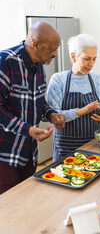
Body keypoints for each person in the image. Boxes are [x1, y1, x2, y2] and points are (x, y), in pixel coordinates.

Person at [0, 21, 66, 194]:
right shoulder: (5, 61)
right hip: (6, 156)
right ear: (36, 44)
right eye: (52, 49)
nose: (55, 54)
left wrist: (51, 114)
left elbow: (39, 102)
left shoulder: (39, 65)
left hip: (29, 154)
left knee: (27, 204)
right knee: (8, 210)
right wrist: (27, 129)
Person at [47, 33, 100, 161]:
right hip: (66, 148)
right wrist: (80, 112)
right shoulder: (58, 80)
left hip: (94, 145)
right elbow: (54, 116)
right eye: (86, 58)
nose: (91, 64)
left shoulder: (99, 80)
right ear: (73, 56)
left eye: (94, 59)